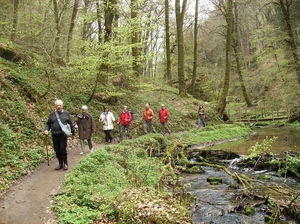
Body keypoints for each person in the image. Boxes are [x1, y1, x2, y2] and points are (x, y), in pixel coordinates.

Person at [44, 99, 75, 170]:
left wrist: (73, 133)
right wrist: (46, 130)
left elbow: (71, 124)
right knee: (57, 149)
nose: (59, 107)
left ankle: (65, 163)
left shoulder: (66, 113)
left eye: (60, 105)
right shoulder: (52, 114)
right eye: (57, 105)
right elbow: (48, 124)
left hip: (62, 135)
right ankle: (60, 164)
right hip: (54, 134)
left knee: (62, 148)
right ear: (55, 106)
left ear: (62, 106)